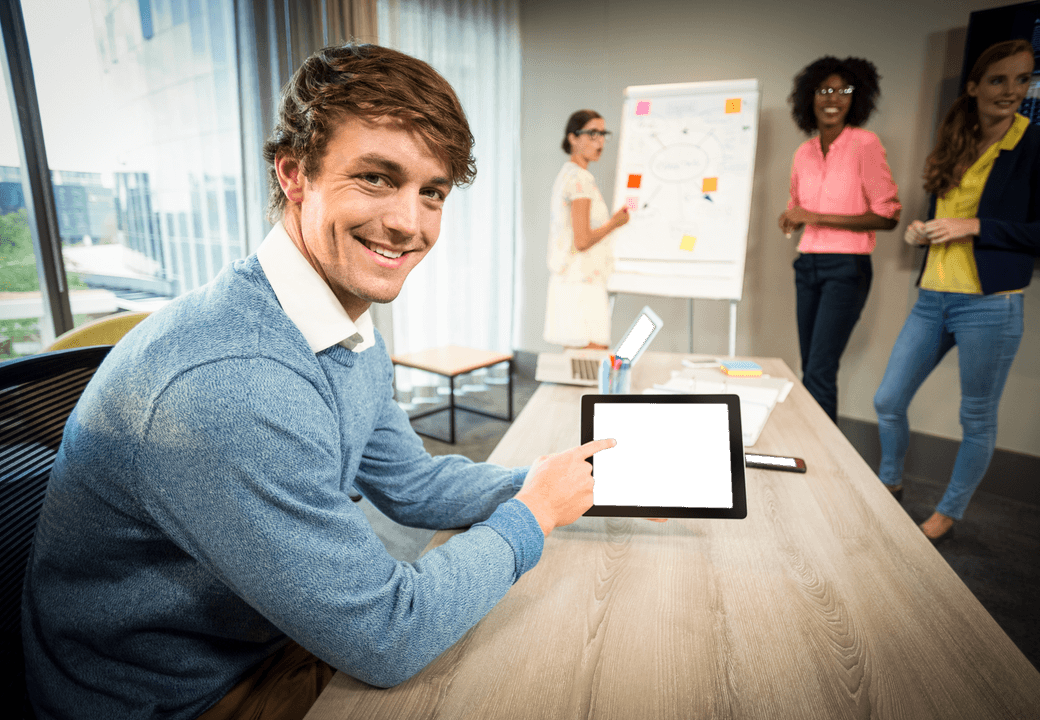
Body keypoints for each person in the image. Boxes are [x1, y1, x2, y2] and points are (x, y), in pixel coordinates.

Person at [21, 43, 616, 720]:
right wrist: (532, 515)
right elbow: (390, 634)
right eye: (376, 178)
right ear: (295, 174)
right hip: (178, 698)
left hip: (261, 632)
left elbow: (412, 485)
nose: (409, 223)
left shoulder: (338, 322)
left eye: (433, 192)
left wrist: (558, 482)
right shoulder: (235, 384)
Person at [873, 39, 1040, 543]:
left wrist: (975, 226)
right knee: (888, 398)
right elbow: (946, 219)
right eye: (999, 79)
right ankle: (889, 482)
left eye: (1022, 79)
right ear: (974, 86)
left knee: (976, 417)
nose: (1011, 90)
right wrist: (923, 232)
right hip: (932, 298)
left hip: (991, 307)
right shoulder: (955, 141)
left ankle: (949, 511)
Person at [778, 56, 902, 423]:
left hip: (846, 268)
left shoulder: (865, 144)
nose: (833, 98)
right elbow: (797, 208)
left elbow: (888, 215)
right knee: (810, 366)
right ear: (809, 97)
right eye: (824, 90)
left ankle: (822, 457)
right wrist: (791, 219)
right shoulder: (804, 152)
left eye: (843, 90)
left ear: (856, 98)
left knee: (819, 369)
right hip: (808, 264)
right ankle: (813, 445)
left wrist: (814, 216)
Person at [543, 110, 629, 350]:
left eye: (603, 134)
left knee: (579, 363)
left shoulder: (568, 174)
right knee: (589, 363)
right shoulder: (580, 179)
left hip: (573, 282)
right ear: (573, 137)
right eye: (592, 133)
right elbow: (582, 240)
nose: (599, 141)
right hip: (581, 285)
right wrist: (614, 223)